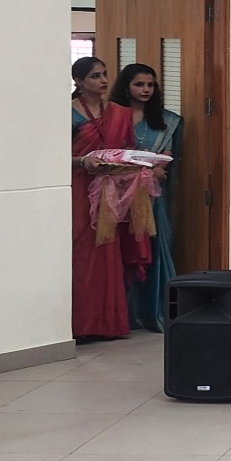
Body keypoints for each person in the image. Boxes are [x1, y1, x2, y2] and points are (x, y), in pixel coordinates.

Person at [70, 56, 141, 341]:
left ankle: (108, 324)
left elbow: (126, 148)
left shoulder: (119, 113)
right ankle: (79, 326)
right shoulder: (68, 113)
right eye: (95, 76)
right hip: (79, 189)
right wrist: (83, 161)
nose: (103, 81)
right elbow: (53, 157)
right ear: (79, 82)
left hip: (109, 188)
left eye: (104, 74)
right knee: (81, 251)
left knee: (108, 252)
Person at [111, 63, 182, 331]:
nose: (146, 90)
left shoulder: (165, 121)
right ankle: (124, 315)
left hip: (150, 196)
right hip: (116, 194)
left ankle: (153, 312)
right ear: (126, 86)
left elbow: (165, 158)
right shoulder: (114, 116)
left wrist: (152, 170)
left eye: (150, 85)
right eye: (139, 84)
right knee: (120, 252)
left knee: (154, 247)